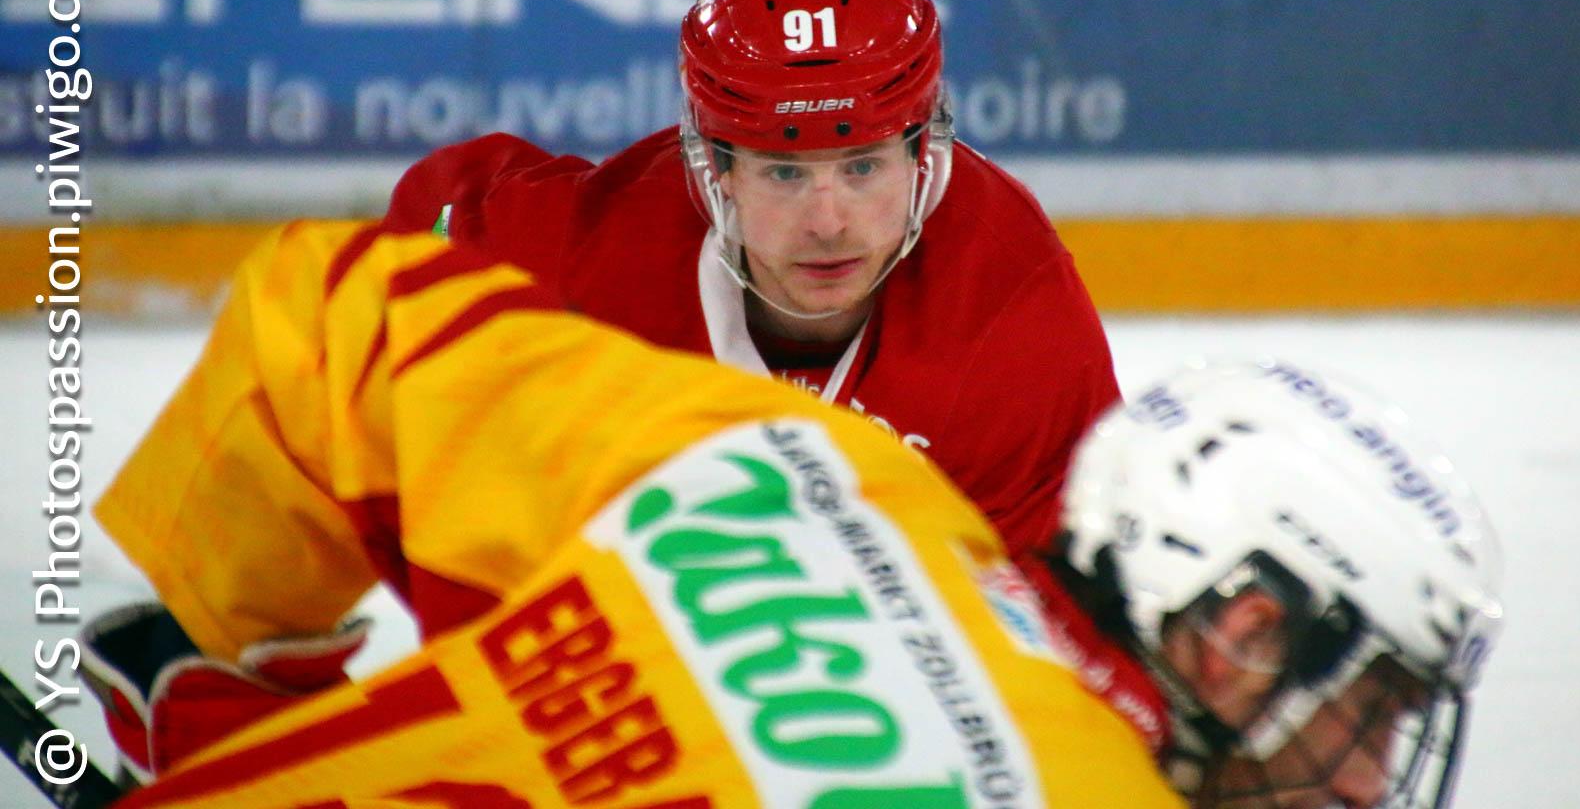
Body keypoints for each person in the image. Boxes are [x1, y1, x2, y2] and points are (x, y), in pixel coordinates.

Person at [82, 223, 1502, 808]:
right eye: (1372, 709)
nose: (1371, 781)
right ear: (1239, 634)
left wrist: (235, 680)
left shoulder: (800, 465)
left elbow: (340, 316)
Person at [380, 0, 1118, 552]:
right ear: (718, 167)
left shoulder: (1016, 316)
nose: (828, 223)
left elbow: (1059, 608)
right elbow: (413, 247)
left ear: (920, 152)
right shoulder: (593, 253)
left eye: (863, 166)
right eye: (784, 172)